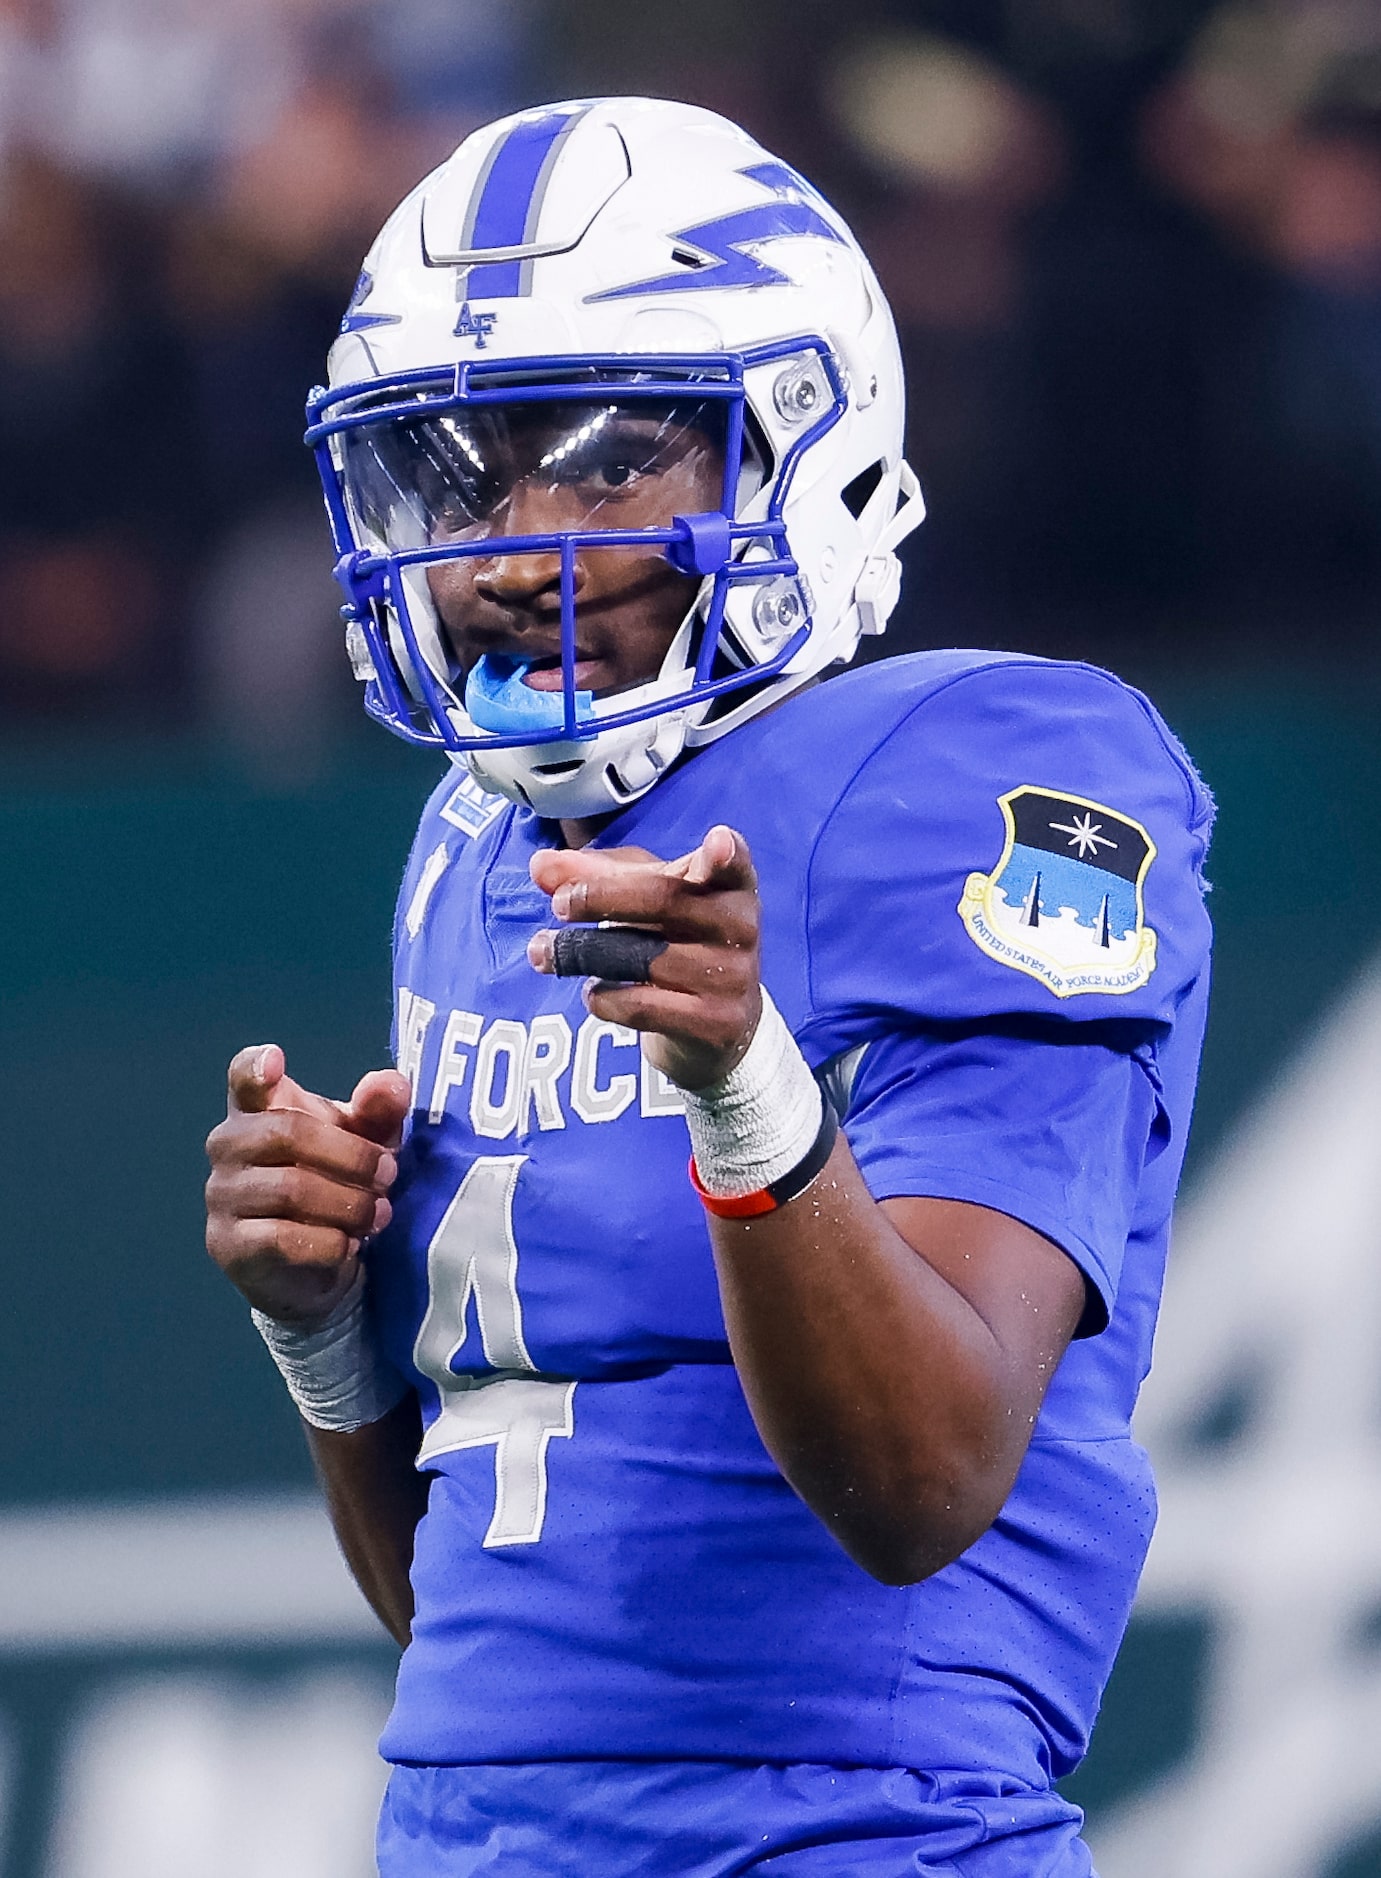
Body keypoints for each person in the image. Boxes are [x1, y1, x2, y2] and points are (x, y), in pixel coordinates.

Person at [204, 98, 1213, 1876]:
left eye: (603, 459)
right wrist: (324, 1335)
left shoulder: (992, 768)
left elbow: (919, 1481)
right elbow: (473, 1642)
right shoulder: (469, 840)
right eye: (460, 471)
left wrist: (747, 1085)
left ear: (800, 442)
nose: (515, 549)